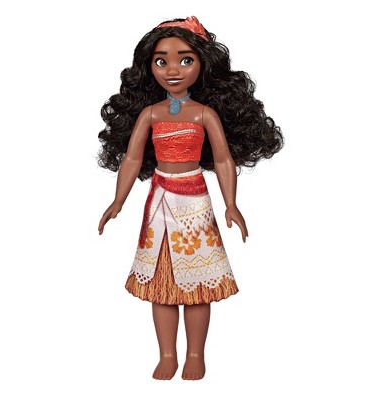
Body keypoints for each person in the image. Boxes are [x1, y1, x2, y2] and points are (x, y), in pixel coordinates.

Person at [97, 16, 283, 380]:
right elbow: (133, 157)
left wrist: (231, 204)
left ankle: (196, 354)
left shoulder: (203, 114)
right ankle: (167, 354)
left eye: (185, 60)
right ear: (148, 67)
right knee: (160, 281)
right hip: (159, 201)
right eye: (161, 61)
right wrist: (118, 201)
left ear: (203, 64)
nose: (173, 70)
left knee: (199, 282)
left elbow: (224, 159)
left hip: (195, 200)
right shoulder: (151, 114)